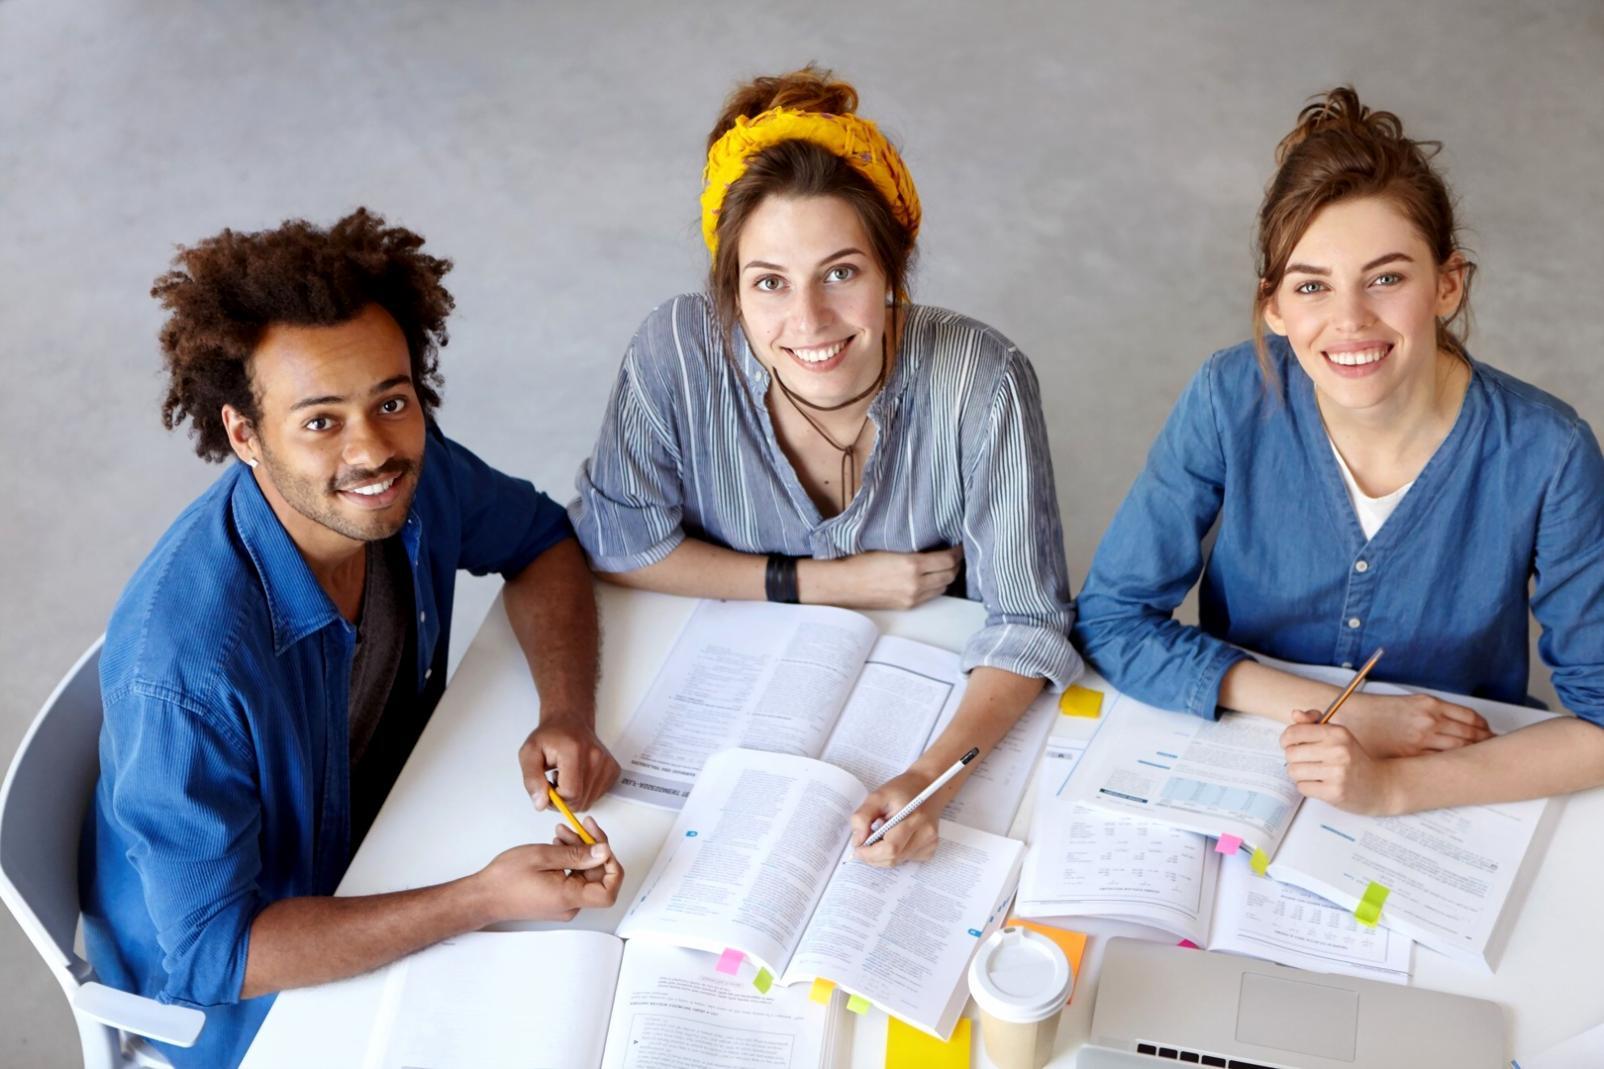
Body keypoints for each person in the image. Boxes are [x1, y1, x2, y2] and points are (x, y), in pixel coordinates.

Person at [80, 209, 623, 1068]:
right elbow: (219, 956)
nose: (373, 450)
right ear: (245, 434)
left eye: (392, 400)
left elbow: (541, 538)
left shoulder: (411, 470)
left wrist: (567, 710)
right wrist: (476, 899)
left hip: (394, 846)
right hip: (251, 1003)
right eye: (321, 420)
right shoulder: (179, 671)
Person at [571, 67, 1080, 865]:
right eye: (768, 283)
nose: (806, 322)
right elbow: (616, 542)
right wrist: (826, 581)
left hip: (923, 694)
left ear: (892, 275)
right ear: (731, 292)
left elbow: (1029, 623)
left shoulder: (985, 380)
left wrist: (930, 780)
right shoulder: (675, 350)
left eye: (840, 273)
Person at [1074, 87, 1604, 815]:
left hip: (1451, 788)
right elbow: (1111, 618)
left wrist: (1391, 786)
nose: (1350, 321)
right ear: (1274, 306)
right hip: (1252, 754)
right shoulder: (1230, 397)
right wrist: (1342, 710)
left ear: (1448, 284)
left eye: (1386, 278)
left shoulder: (1550, 452)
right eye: (1313, 286)